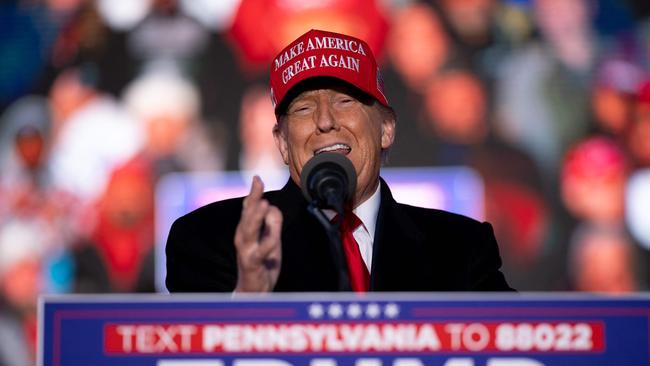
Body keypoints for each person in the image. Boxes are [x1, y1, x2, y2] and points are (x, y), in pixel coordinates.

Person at [165, 29, 513, 293]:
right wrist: (250, 304)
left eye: (345, 102)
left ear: (386, 130)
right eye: (303, 108)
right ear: (283, 144)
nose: (325, 120)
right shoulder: (211, 239)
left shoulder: (461, 248)